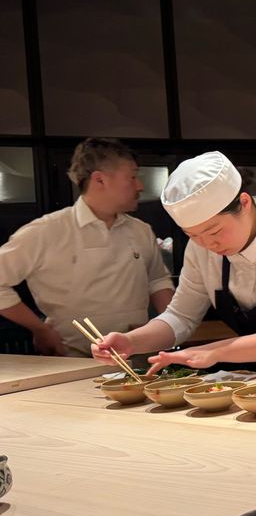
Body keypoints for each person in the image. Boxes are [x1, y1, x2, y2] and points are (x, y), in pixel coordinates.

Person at [92, 151, 256, 376]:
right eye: (192, 235)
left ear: (244, 203)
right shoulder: (200, 248)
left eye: (214, 231)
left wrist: (215, 351)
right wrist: (131, 341)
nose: (206, 244)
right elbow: (181, 316)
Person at [0, 138, 173, 356]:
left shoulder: (141, 230)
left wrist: (171, 329)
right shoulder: (45, 230)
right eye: (132, 177)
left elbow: (157, 280)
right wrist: (39, 328)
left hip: (137, 355)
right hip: (71, 357)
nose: (140, 185)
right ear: (99, 179)